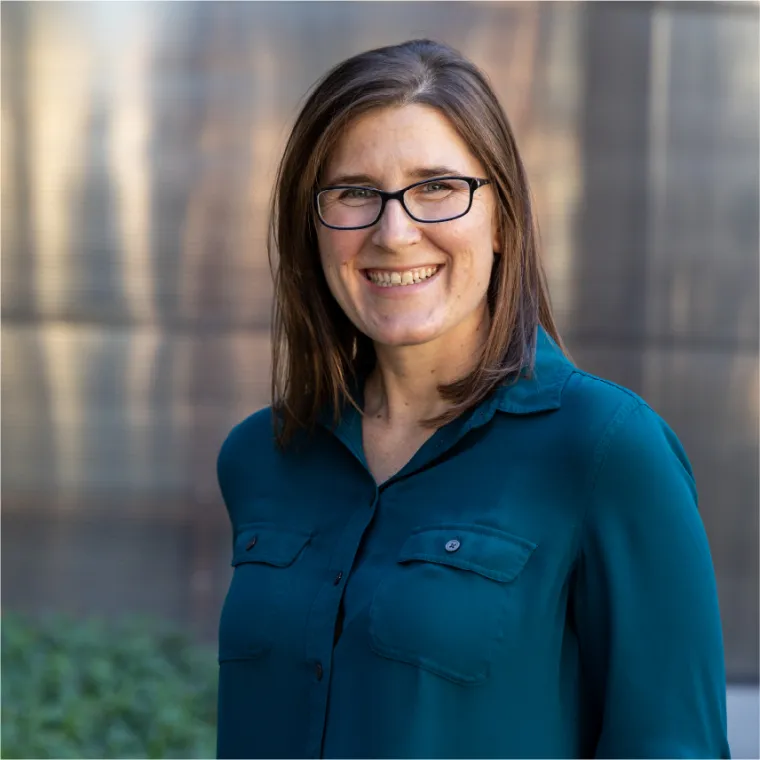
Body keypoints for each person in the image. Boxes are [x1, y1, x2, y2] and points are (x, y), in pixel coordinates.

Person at [215, 39, 731, 759]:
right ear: (313, 225)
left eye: (436, 187)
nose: (393, 234)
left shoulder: (608, 450)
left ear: (502, 220)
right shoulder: (262, 456)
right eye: (355, 192)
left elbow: (672, 745)